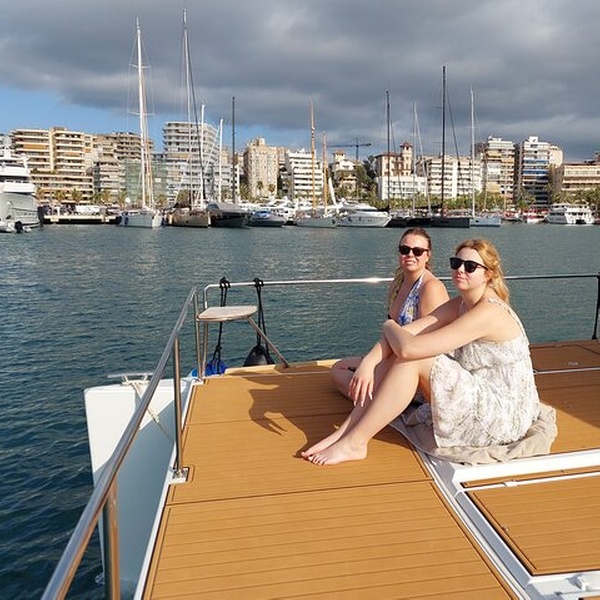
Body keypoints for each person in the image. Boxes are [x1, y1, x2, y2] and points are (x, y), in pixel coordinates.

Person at [303, 238, 541, 466]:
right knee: (391, 359)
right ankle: (346, 432)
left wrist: (389, 325)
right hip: (477, 389)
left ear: (488, 274)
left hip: (501, 413)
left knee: (411, 359)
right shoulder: (459, 304)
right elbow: (409, 334)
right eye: (456, 263)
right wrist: (368, 363)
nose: (460, 270)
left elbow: (408, 348)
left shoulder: (489, 312)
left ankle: (355, 443)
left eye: (470, 266)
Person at [330, 228, 449, 399]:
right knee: (338, 369)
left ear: (427, 255)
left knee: (362, 382)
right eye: (404, 250)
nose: (410, 255)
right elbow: (389, 335)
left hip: (415, 367)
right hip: (393, 357)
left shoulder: (431, 288)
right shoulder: (397, 283)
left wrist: (373, 364)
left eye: (417, 251)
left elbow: (426, 346)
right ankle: (378, 397)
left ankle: (384, 400)